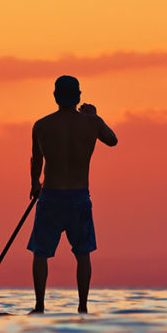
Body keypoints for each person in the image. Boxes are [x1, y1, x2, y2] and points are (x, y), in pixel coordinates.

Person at [27, 75, 117, 314]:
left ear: (55, 96)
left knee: (40, 253)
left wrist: (35, 183)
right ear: (78, 97)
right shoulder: (92, 123)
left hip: (51, 197)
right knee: (83, 254)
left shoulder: (41, 125)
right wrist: (94, 116)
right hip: (79, 198)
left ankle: (39, 306)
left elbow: (37, 159)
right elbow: (112, 140)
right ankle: (83, 307)